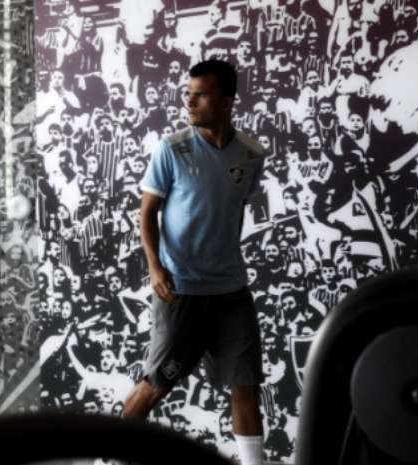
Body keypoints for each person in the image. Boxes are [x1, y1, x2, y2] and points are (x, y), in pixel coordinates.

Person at [122, 59, 267, 465]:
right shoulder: (172, 149)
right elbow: (147, 213)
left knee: (245, 386)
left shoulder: (252, 154)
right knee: (156, 384)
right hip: (181, 290)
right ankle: (107, 459)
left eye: (199, 95)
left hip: (232, 292)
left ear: (226, 102)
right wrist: (155, 267)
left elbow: (234, 208)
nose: (189, 101)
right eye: (188, 94)